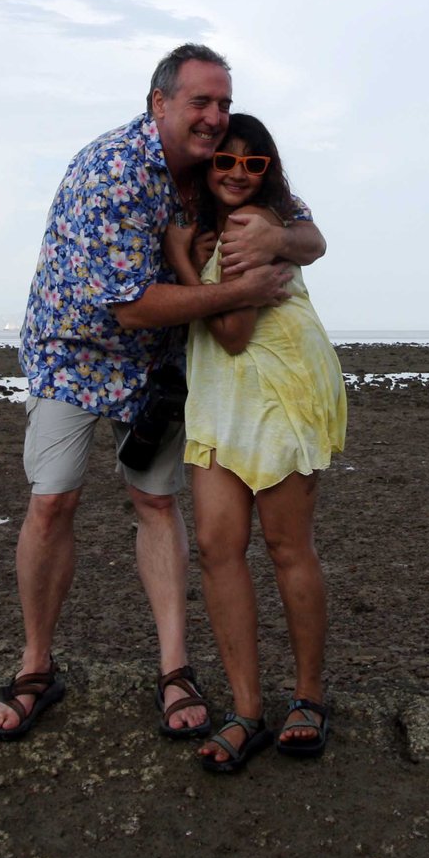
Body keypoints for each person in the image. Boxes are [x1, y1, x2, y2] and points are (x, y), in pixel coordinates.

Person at [0, 46, 327, 743]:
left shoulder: (219, 162)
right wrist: (242, 288)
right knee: (52, 501)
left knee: (156, 502)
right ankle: (35, 666)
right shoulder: (114, 170)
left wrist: (277, 237)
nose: (215, 117)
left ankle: (175, 669)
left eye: (223, 103)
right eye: (201, 102)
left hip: (162, 360)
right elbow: (131, 306)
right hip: (74, 351)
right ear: (158, 103)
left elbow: (308, 233)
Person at [163, 113, 348, 773]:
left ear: (269, 171)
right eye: (226, 161)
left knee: (286, 545)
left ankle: (308, 697)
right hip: (222, 395)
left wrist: (183, 262)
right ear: (207, 163)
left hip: (276, 387)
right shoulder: (216, 221)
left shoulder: (249, 225)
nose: (238, 173)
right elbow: (312, 241)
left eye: (254, 163)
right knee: (218, 548)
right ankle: (247, 710)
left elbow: (234, 331)